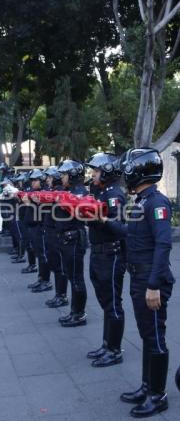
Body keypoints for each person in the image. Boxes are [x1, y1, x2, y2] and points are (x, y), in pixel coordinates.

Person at [107, 148, 174, 418]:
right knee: (147, 335)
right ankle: (147, 386)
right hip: (139, 276)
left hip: (151, 279)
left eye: (129, 168)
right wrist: (104, 221)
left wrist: (154, 284)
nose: (125, 173)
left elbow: (163, 243)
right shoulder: (140, 201)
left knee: (155, 336)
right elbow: (129, 234)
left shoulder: (157, 203)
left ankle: (158, 396)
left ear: (140, 170)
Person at [85, 153, 126, 367]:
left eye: (96, 171)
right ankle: (106, 344)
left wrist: (102, 219)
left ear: (107, 172)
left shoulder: (114, 195)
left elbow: (120, 228)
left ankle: (115, 349)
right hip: (99, 253)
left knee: (112, 303)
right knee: (104, 301)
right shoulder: (100, 192)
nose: (92, 174)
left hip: (110, 254)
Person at [55, 160, 88, 327]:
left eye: (64, 174)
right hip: (66, 239)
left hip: (73, 239)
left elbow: (80, 212)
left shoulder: (79, 192)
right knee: (71, 276)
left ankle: (79, 313)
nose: (62, 177)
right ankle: (74, 311)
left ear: (73, 174)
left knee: (76, 278)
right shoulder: (68, 191)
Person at [43, 166, 68, 308]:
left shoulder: (60, 193)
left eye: (50, 177)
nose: (47, 180)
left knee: (59, 267)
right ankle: (59, 294)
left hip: (55, 232)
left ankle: (62, 295)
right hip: (50, 231)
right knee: (54, 264)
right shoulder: (53, 192)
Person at [24, 169, 52, 293]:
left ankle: (46, 281)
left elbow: (42, 212)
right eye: (32, 180)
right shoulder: (34, 192)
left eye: (35, 180)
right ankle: (41, 278)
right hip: (33, 227)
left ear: (41, 180)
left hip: (40, 227)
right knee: (39, 255)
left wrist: (30, 203)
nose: (32, 183)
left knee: (42, 255)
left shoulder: (44, 193)